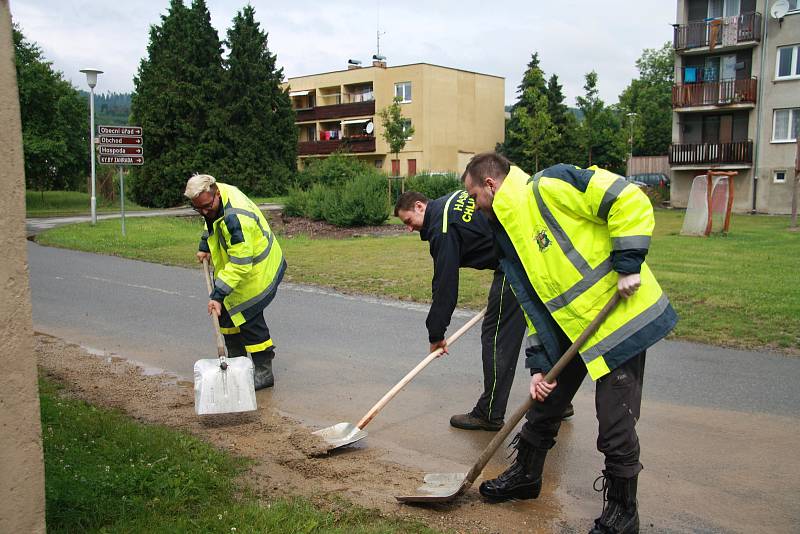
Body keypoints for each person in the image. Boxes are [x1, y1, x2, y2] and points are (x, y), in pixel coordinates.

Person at [463, 153, 677, 534]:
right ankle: (526, 476)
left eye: (475, 196)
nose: (476, 207)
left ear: (491, 186)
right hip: (574, 330)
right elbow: (536, 305)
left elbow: (627, 197)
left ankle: (623, 514)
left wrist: (628, 261)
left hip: (619, 319)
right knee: (545, 405)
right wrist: (541, 364)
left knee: (614, 422)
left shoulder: (550, 185)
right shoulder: (513, 233)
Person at [395, 190, 573, 431]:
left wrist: (436, 334)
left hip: (515, 260)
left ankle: (490, 412)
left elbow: (445, 284)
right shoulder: (451, 199)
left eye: (408, 221)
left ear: (419, 206)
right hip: (536, 250)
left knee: (496, 334)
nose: (409, 228)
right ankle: (558, 401)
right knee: (546, 327)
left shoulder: (441, 226)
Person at [185, 174, 286, 390]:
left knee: (249, 318)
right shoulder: (214, 198)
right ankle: (235, 363)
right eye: (198, 209)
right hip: (236, 268)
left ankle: (264, 373)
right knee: (227, 317)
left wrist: (217, 295)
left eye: (205, 206)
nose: (203, 212)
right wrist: (204, 244)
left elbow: (241, 263)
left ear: (216, 194)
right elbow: (211, 221)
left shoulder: (235, 217)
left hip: (257, 269)